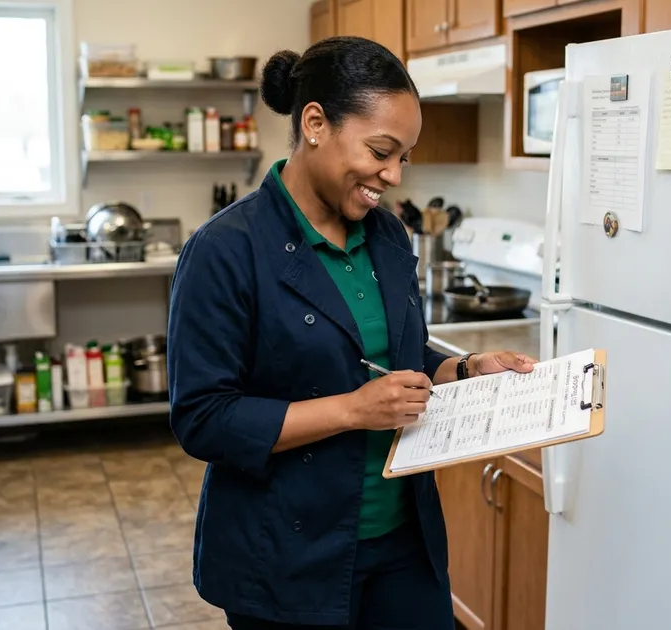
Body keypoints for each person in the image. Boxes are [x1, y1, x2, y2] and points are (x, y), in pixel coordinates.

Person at [166, 36, 537, 630]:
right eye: (381, 150)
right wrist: (351, 411)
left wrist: (465, 370)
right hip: (289, 555)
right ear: (315, 123)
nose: (391, 175)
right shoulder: (225, 251)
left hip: (402, 541)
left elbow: (400, 361)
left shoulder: (388, 237)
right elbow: (203, 418)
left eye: (403, 158)